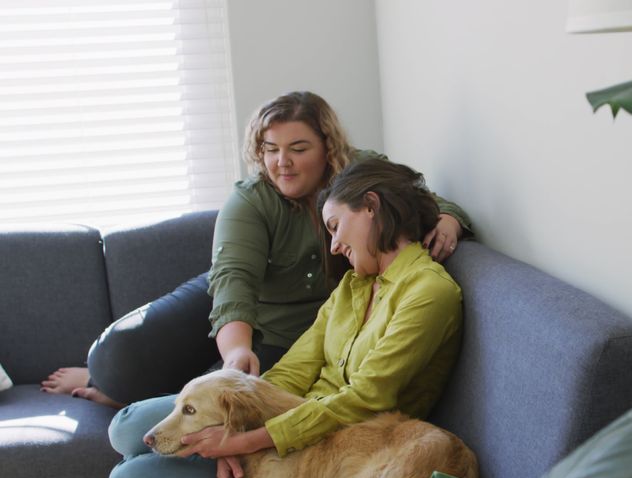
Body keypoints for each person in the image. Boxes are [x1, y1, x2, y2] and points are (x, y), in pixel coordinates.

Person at [40, 92, 471, 408]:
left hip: (294, 326)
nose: (282, 161)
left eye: (298, 149)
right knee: (118, 357)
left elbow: (414, 197)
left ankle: (141, 396)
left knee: (224, 398)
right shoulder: (250, 200)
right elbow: (233, 283)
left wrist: (449, 219)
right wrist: (235, 348)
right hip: (238, 299)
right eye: (271, 150)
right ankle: (108, 379)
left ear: (328, 148)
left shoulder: (359, 177)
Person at [107, 157, 464, 478]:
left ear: (371, 206)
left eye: (336, 226)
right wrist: (239, 427)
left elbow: (367, 398)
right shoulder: (352, 286)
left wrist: (247, 440)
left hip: (339, 447)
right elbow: (293, 370)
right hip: (286, 432)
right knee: (127, 428)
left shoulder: (429, 291)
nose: (335, 245)